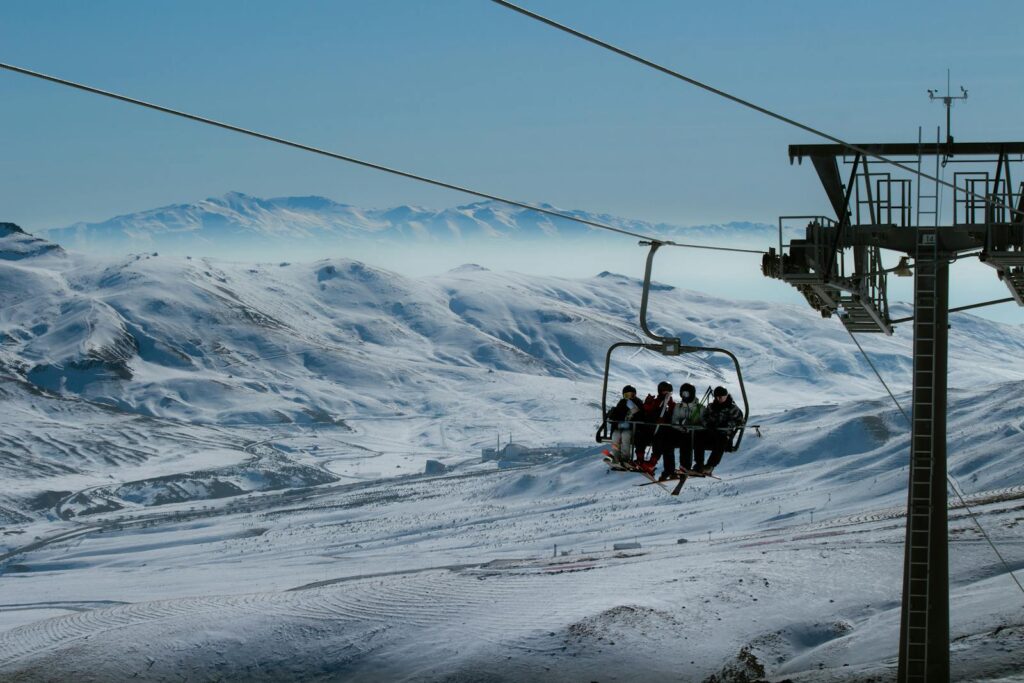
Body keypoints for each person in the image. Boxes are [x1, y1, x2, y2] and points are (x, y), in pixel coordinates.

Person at [697, 385, 743, 475]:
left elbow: (740, 421)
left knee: (721, 439)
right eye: (716, 397)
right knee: (698, 436)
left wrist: (727, 424)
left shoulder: (733, 408)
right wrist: (708, 424)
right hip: (711, 434)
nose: (718, 399)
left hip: (724, 436)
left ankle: (710, 466)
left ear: (726, 396)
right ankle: (699, 464)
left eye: (721, 397)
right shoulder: (711, 407)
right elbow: (703, 418)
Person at [667, 382, 702, 478]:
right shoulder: (678, 407)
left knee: (687, 439)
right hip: (680, 433)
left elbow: (704, 423)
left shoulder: (700, 408)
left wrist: (691, 427)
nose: (684, 396)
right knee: (667, 440)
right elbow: (674, 421)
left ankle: (686, 466)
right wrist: (681, 425)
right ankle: (670, 469)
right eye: (682, 394)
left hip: (695, 435)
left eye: (686, 393)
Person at [641, 381, 675, 477]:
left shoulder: (671, 403)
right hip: (654, 429)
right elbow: (647, 410)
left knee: (666, 445)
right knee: (658, 441)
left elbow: (674, 415)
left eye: (669, 392)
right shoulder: (655, 402)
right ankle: (651, 464)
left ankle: (661, 467)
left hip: (666, 431)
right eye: (665, 392)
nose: (667, 394)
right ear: (660, 391)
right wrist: (648, 403)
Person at [606, 385, 642, 467]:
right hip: (621, 427)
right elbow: (617, 414)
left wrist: (634, 410)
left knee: (625, 436)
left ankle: (625, 458)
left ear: (635, 395)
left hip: (634, 429)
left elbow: (641, 415)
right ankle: (616, 456)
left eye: (631, 395)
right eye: (626, 395)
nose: (629, 397)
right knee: (615, 435)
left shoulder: (638, 402)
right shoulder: (622, 403)